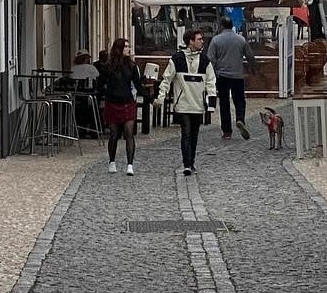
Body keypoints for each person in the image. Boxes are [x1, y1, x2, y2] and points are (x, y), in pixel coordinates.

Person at [157, 29, 215, 176]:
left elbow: (211, 82)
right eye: (199, 39)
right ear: (191, 41)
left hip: (198, 104)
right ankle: (187, 164)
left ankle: (191, 161)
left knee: (194, 135)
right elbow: (167, 79)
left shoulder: (205, 60)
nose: (202, 41)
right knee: (186, 133)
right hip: (182, 104)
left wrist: (211, 103)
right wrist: (161, 97)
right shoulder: (177, 59)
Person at [95, 37, 144, 175]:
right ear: (119, 48)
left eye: (129, 46)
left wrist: (148, 97)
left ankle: (130, 164)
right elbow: (101, 84)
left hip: (128, 102)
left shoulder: (132, 66)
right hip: (113, 103)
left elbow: (137, 84)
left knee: (129, 132)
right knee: (114, 134)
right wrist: (103, 94)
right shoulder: (108, 67)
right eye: (126, 47)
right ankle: (112, 161)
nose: (129, 49)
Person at [207, 19, 254, 141]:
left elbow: (210, 59)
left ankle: (227, 131)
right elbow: (250, 56)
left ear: (221, 26)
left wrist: (213, 72)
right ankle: (240, 119)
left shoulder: (216, 40)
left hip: (222, 76)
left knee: (224, 103)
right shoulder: (241, 39)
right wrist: (252, 68)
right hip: (238, 75)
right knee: (239, 100)